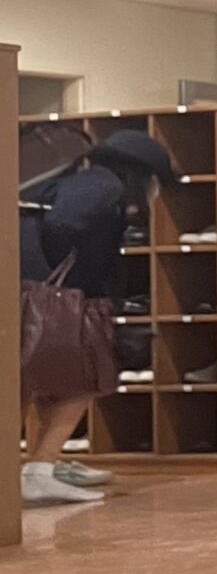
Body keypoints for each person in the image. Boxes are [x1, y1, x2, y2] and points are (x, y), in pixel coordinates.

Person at [19, 129, 173, 506]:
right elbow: (65, 225)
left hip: (27, 290)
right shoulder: (103, 185)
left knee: (36, 377)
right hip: (54, 295)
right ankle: (39, 469)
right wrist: (67, 268)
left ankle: (40, 464)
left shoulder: (73, 177)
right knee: (84, 378)